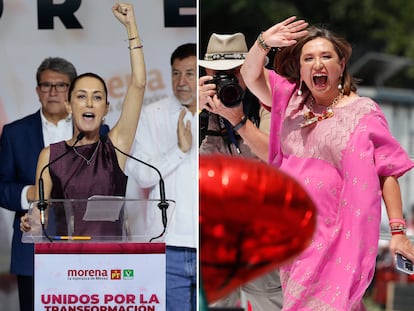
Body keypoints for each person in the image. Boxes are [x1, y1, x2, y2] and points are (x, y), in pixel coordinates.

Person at [236, 16, 414, 310]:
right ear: (300, 69)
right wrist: (263, 42)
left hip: (343, 238)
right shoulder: (289, 100)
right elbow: (250, 73)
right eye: (309, 58)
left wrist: (397, 233)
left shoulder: (364, 113)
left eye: (326, 56)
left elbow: (388, 172)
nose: (317, 64)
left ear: (341, 65)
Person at [21, 3, 145, 237]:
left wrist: (131, 28)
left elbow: (138, 85)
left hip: (112, 262)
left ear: (106, 108)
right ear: (69, 105)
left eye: (97, 97)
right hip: (69, 265)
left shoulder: (114, 147)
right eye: (81, 97)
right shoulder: (49, 157)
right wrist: (31, 223)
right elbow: (39, 216)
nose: (89, 103)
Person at [199, 32, 283, 310]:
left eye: (233, 71)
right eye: (218, 72)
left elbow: (274, 158)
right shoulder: (195, 103)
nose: (227, 80)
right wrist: (191, 113)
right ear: (206, 71)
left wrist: (238, 121)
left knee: (269, 299)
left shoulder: (268, 94)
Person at [0, 56, 77, 311]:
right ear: (37, 91)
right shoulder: (14, 132)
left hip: (82, 247)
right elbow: (2, 187)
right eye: (46, 85)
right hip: (32, 252)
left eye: (61, 85)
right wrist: (30, 193)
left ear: (72, 90)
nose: (53, 92)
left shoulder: (94, 130)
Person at [125, 43, 197, 311]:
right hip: (169, 246)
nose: (181, 81)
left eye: (190, 73)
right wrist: (178, 151)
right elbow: (142, 174)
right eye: (176, 73)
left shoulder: (218, 111)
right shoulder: (150, 115)